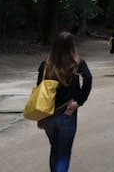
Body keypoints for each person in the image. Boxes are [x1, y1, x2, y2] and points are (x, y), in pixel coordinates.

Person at [36, 32, 92, 172]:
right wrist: (79, 101)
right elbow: (88, 79)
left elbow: (39, 89)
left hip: (49, 115)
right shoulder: (77, 63)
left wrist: (40, 115)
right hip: (68, 112)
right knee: (63, 153)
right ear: (72, 46)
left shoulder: (46, 65)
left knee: (55, 149)